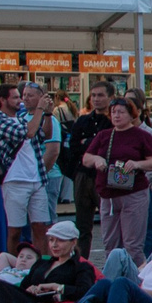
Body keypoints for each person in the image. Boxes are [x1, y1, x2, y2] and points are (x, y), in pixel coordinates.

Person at [73, 95, 152, 267]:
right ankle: (113, 276)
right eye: (113, 112)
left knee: (132, 244)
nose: (116, 115)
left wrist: (137, 164)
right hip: (108, 194)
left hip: (133, 193)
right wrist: (97, 160)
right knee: (110, 243)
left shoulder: (142, 136)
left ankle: (136, 279)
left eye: (121, 112)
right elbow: (86, 158)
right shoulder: (104, 136)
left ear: (131, 115)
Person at [0, 82, 56, 246]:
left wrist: (49, 115)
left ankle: (41, 265)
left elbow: (45, 134)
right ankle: (13, 268)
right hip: (14, 181)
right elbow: (29, 133)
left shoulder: (22, 119)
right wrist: (39, 110)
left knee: (40, 227)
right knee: (15, 230)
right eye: (16, 97)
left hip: (37, 180)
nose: (20, 101)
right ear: (3, 100)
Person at [62, 87, 112, 255]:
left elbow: (108, 147)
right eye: (93, 95)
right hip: (83, 175)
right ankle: (81, 262)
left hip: (105, 176)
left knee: (109, 222)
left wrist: (88, 142)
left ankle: (111, 261)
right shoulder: (83, 121)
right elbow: (75, 146)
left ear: (110, 97)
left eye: (101, 95)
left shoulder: (113, 121)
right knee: (82, 225)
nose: (96, 99)